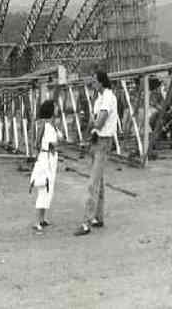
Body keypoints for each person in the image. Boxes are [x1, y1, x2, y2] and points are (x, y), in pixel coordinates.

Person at [75, 70, 118, 236]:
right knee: (99, 181)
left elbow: (99, 122)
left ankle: (86, 222)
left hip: (103, 141)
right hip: (97, 141)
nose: (92, 83)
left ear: (101, 82)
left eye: (94, 80)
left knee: (92, 183)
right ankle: (98, 217)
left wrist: (93, 123)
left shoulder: (108, 97)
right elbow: (94, 121)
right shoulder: (99, 98)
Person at [29, 99, 60, 233]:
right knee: (44, 187)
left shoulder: (51, 125)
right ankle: (37, 221)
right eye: (55, 107)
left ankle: (42, 218)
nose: (57, 109)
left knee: (48, 189)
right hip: (46, 158)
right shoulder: (45, 125)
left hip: (50, 158)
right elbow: (50, 143)